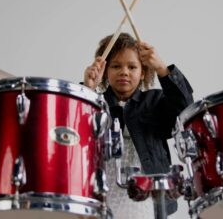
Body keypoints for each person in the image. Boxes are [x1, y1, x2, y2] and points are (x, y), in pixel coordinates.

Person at [83, 32, 194, 217]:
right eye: (116, 66)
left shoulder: (156, 101)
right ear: (105, 72)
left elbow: (186, 109)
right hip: (103, 196)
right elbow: (73, 130)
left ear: (143, 72)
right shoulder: (95, 103)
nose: (124, 72)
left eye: (132, 67)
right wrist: (87, 90)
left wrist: (162, 69)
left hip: (150, 200)